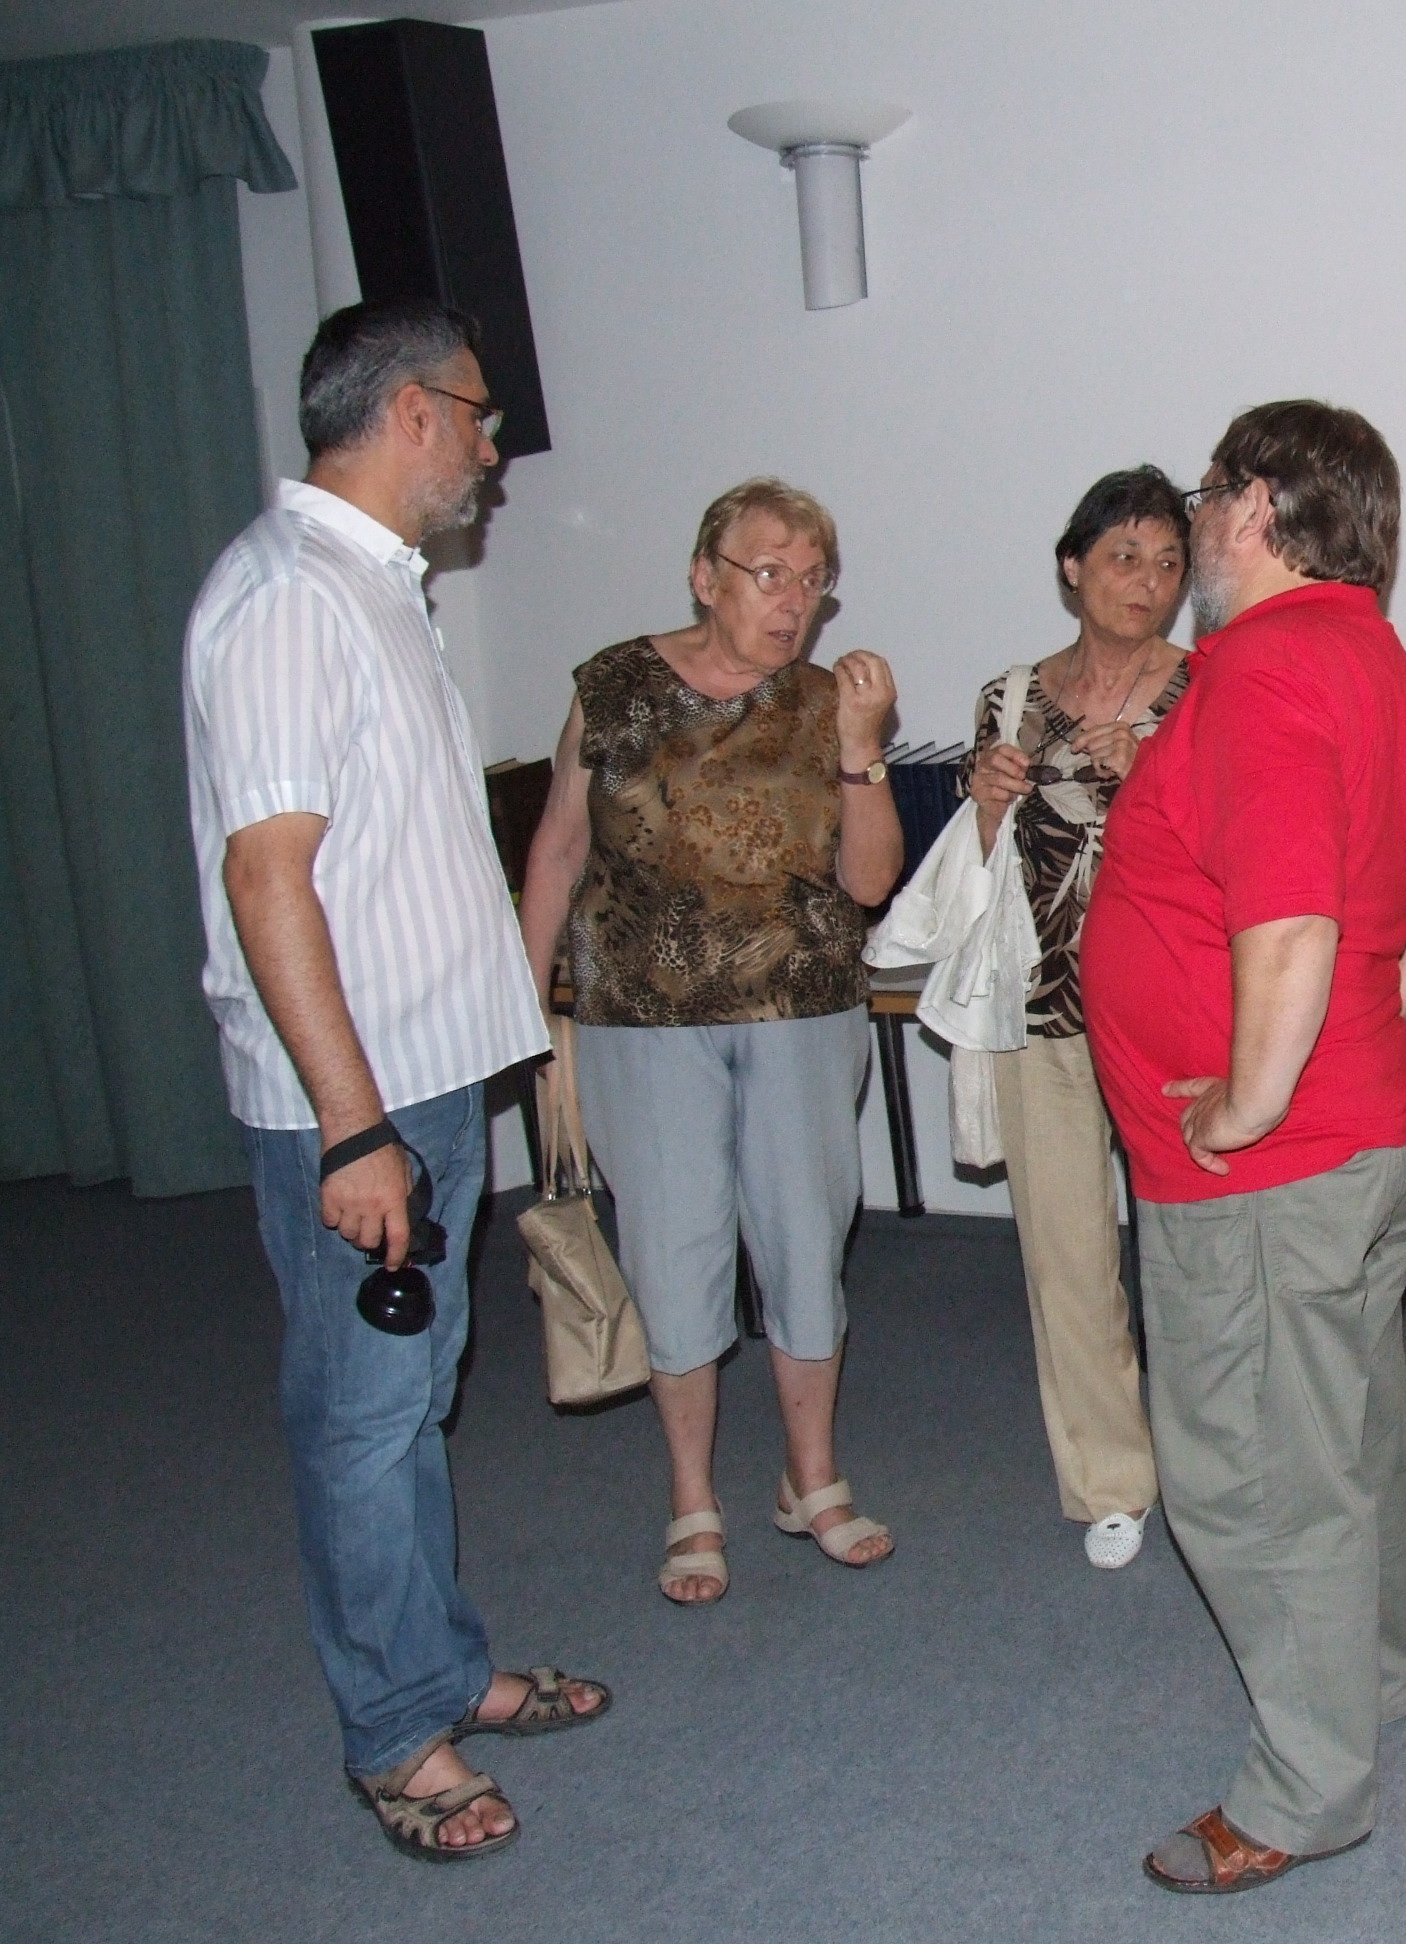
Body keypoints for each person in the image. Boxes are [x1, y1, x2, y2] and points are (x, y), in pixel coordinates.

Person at [183, 298, 610, 1864]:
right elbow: (269, 879)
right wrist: (351, 1126)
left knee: (416, 1401)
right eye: (481, 416)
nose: (494, 450)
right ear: (412, 410)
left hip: (422, 1083)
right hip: (353, 1105)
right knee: (362, 1422)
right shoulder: (287, 598)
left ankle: (440, 1669)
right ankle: (391, 1736)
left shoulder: (370, 586)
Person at [1081, 401, 1406, 1894]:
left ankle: (1306, 1793)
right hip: (1363, 1138)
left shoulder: (1263, 670)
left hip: (1271, 1169)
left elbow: (1289, 918)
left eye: (1207, 495)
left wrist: (1249, 1100)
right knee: (1348, 1431)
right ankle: (1366, 1680)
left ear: (1257, 506)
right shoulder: (1377, 662)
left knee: (1256, 1477)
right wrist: (1382, 1011)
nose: (1195, 521)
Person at [517, 479, 905, 1605]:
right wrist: (517, 1007)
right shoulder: (612, 685)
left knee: (803, 1243)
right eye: (769, 573)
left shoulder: (831, 701)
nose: (794, 602)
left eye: (813, 581)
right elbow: (558, 848)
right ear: (705, 577)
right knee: (674, 1248)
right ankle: (692, 1497)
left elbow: (870, 882)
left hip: (801, 1008)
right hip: (643, 1016)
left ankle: (810, 1478)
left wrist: (863, 751)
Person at [962, 467, 1190, 1570]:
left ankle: (1213, 1454)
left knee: (1196, 1251)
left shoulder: (1208, 691)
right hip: (1044, 1005)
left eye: (1168, 562)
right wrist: (982, 804)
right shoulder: (1009, 699)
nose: (1147, 581)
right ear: (1072, 566)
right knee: (1067, 1253)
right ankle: (1110, 1479)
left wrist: (1155, 779)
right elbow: (983, 872)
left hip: (1177, 1011)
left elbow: (1243, 849)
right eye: (1123, 556)